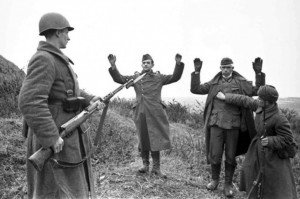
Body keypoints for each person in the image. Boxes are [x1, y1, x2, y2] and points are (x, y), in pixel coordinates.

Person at [19, 12, 101, 199]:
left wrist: (89, 99)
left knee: (68, 189)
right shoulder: (44, 59)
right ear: (57, 32)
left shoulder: (56, 58)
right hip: (54, 137)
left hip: (66, 137)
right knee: (52, 190)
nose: (68, 36)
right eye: (66, 32)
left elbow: (67, 92)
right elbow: (29, 100)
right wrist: (51, 137)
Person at [190, 57, 265, 197]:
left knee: (230, 156)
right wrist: (196, 72)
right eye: (223, 67)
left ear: (232, 68)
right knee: (215, 154)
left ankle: (228, 184)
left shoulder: (240, 83)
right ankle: (214, 180)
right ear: (220, 68)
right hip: (216, 124)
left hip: (233, 125)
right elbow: (195, 89)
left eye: (228, 67)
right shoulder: (214, 83)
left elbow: (258, 90)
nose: (225, 70)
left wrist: (258, 74)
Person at [107, 53, 184, 177]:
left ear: (152, 64)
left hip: (156, 112)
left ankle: (156, 168)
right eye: (144, 63)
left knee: (156, 139)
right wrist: (113, 65)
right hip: (140, 111)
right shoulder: (136, 77)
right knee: (143, 138)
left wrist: (178, 64)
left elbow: (175, 77)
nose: (146, 64)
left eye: (148, 63)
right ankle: (145, 165)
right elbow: (119, 79)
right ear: (141, 64)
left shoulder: (159, 77)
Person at [216, 85, 297, 199]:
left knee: (272, 182)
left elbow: (288, 139)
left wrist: (270, 140)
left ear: (269, 102)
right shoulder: (260, 106)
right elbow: (244, 100)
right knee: (249, 171)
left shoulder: (279, 118)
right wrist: (226, 97)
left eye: (260, 99)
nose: (258, 100)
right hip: (257, 149)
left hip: (273, 155)